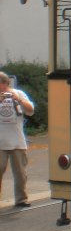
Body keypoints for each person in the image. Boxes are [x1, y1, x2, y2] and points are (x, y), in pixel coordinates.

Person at [0, 72, 35, 207]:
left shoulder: (18, 93)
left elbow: (30, 110)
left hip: (17, 141)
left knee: (20, 173)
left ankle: (21, 199)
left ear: (5, 83)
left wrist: (18, 100)